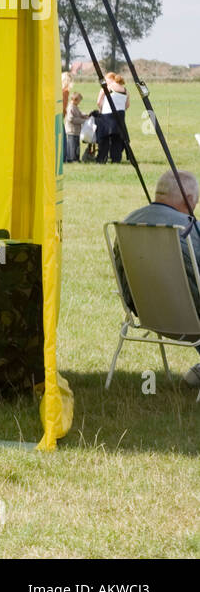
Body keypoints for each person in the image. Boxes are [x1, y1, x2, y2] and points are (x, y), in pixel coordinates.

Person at [115, 169, 200, 386]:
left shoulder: (128, 223)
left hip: (148, 315)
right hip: (192, 320)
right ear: (190, 199)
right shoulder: (191, 229)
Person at [96, 72, 130, 164]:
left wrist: (101, 109)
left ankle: (102, 158)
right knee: (117, 139)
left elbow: (99, 102)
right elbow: (127, 105)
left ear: (111, 79)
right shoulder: (125, 90)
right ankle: (116, 159)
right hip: (120, 115)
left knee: (104, 138)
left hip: (107, 115)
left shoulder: (106, 88)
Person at [64, 92, 87, 163]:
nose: (79, 102)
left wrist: (85, 115)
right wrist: (83, 120)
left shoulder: (75, 106)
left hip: (76, 131)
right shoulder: (71, 107)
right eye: (79, 100)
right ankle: (71, 158)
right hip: (71, 130)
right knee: (72, 145)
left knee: (76, 145)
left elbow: (79, 113)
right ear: (75, 99)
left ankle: (76, 158)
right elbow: (71, 119)